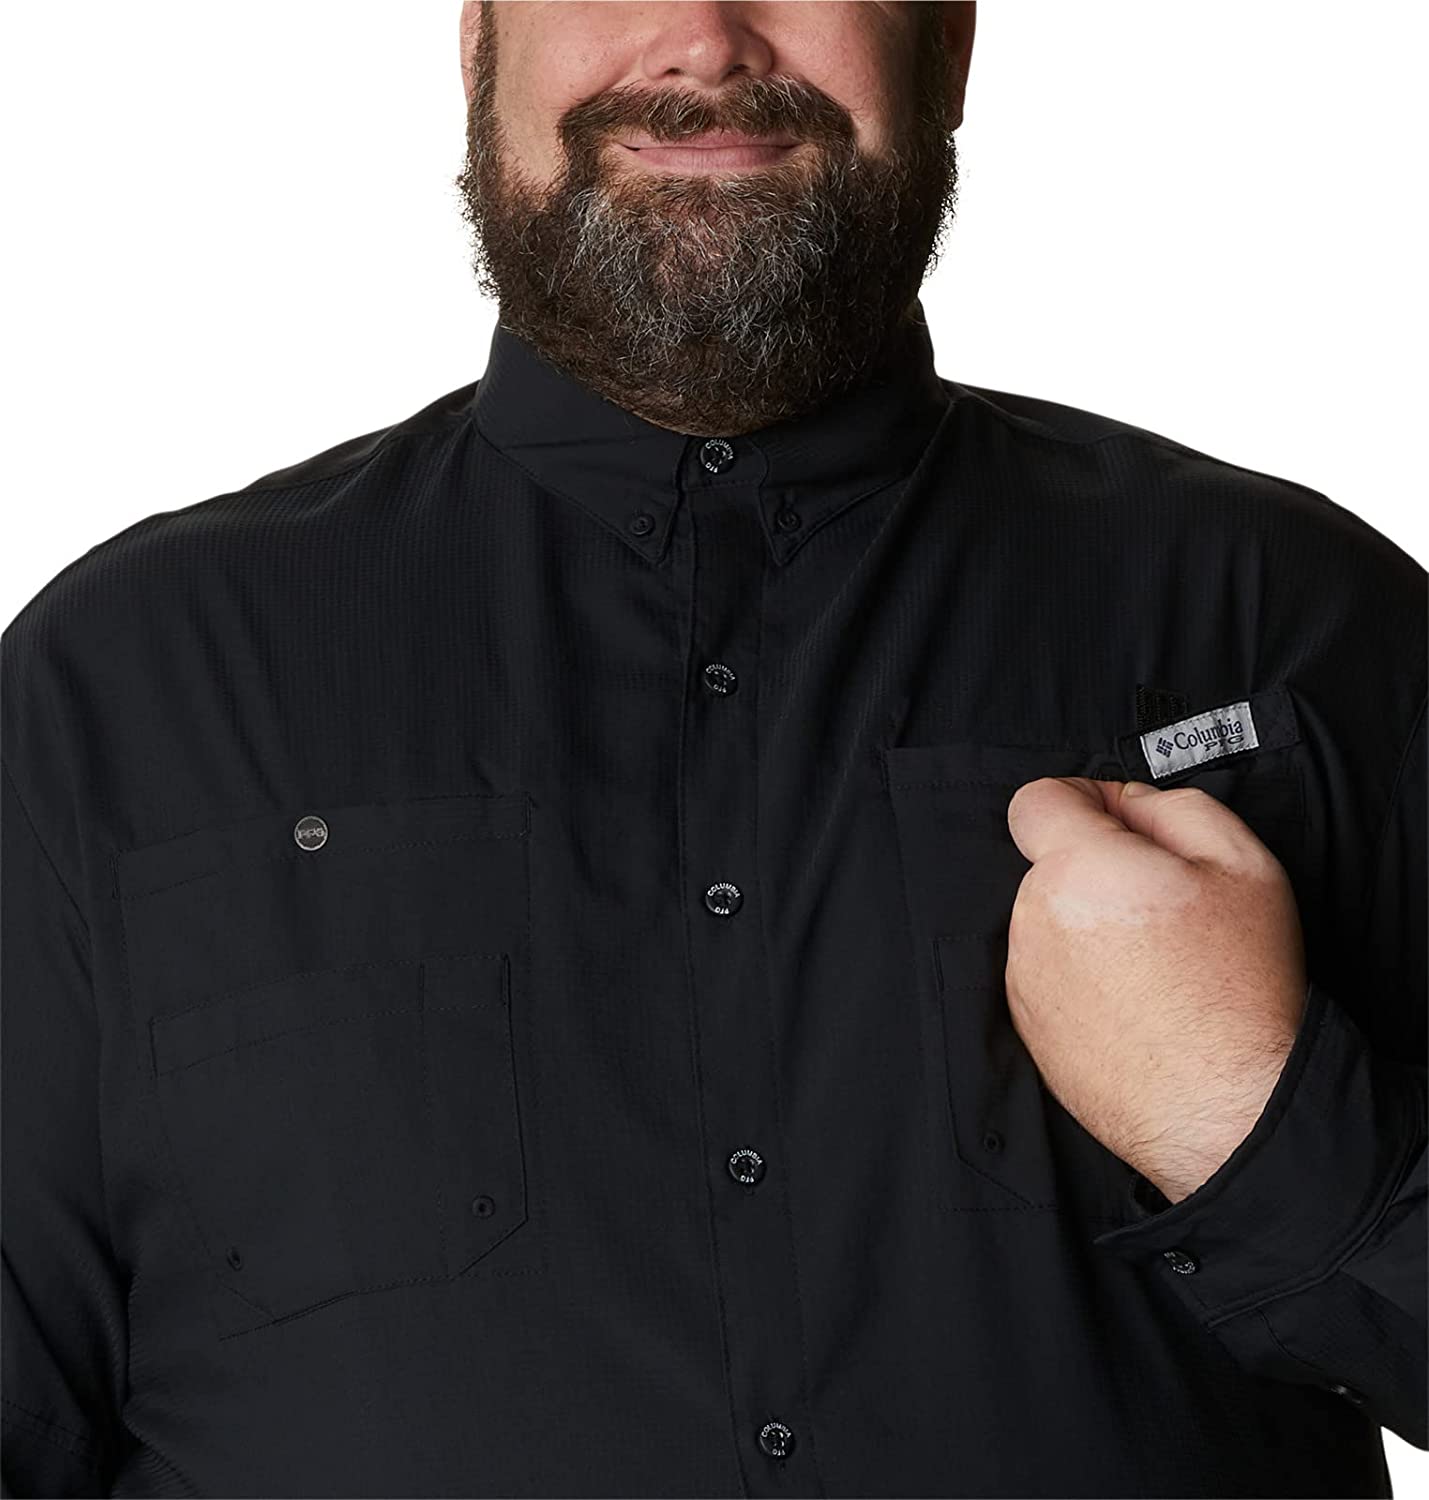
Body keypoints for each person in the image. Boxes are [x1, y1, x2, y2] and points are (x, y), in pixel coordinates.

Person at [2, 3, 1423, 1495]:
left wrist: (1242, 1117)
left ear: (946, 45)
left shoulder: (1295, 623)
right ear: (479, 45)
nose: (701, 42)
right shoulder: (130, 678)